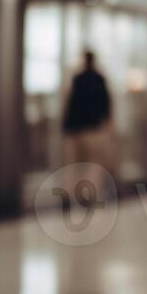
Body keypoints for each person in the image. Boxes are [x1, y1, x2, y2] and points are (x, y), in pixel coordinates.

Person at [62, 50, 114, 205]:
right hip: (93, 129)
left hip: (76, 129)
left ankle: (69, 194)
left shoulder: (78, 79)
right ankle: (89, 194)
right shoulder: (99, 80)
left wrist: (67, 127)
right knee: (93, 164)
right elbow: (106, 106)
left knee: (74, 164)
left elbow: (71, 105)